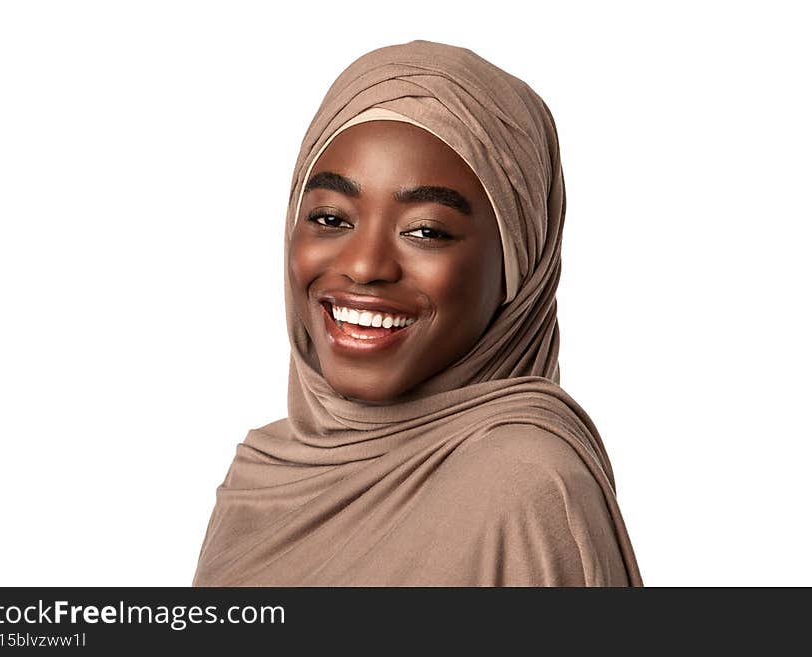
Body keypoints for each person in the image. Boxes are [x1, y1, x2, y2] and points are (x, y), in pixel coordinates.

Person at [192, 39, 643, 586]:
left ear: (519, 268)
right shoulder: (262, 477)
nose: (363, 266)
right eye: (332, 219)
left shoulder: (525, 488)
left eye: (426, 231)